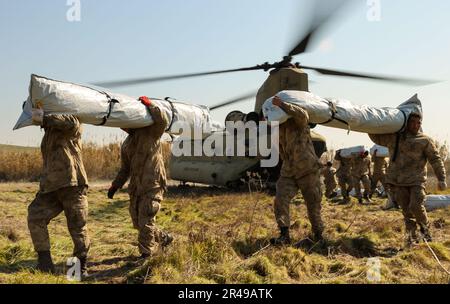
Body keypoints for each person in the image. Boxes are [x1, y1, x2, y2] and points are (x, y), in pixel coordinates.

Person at [27, 108, 90, 278]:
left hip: (72, 185)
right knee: (35, 216)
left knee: (77, 226)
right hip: (50, 188)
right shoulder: (48, 135)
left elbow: (70, 122)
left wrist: (43, 116)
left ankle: (77, 270)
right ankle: (45, 263)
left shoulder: (72, 125)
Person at [108, 97, 173, 258]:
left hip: (152, 185)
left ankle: (146, 256)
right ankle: (164, 238)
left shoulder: (151, 133)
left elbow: (162, 121)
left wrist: (150, 105)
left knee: (146, 222)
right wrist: (115, 186)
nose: (123, 127)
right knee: (138, 223)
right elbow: (125, 169)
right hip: (136, 188)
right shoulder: (127, 143)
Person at [369, 112, 447, 246]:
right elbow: (377, 138)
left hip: (417, 180)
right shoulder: (395, 138)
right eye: (412, 122)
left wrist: (441, 178)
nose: (415, 125)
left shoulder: (424, 140)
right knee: (406, 211)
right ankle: (411, 238)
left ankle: (425, 231)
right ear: (406, 123)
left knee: (416, 206)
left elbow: (435, 159)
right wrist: (369, 124)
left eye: (418, 123)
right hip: (398, 181)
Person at [270, 96, 324, 247]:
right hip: (289, 170)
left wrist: (282, 104)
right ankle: (284, 234)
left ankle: (319, 235)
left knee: (313, 204)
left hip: (308, 169)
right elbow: (281, 150)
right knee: (280, 199)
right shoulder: (278, 129)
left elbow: (303, 115)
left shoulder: (298, 122)